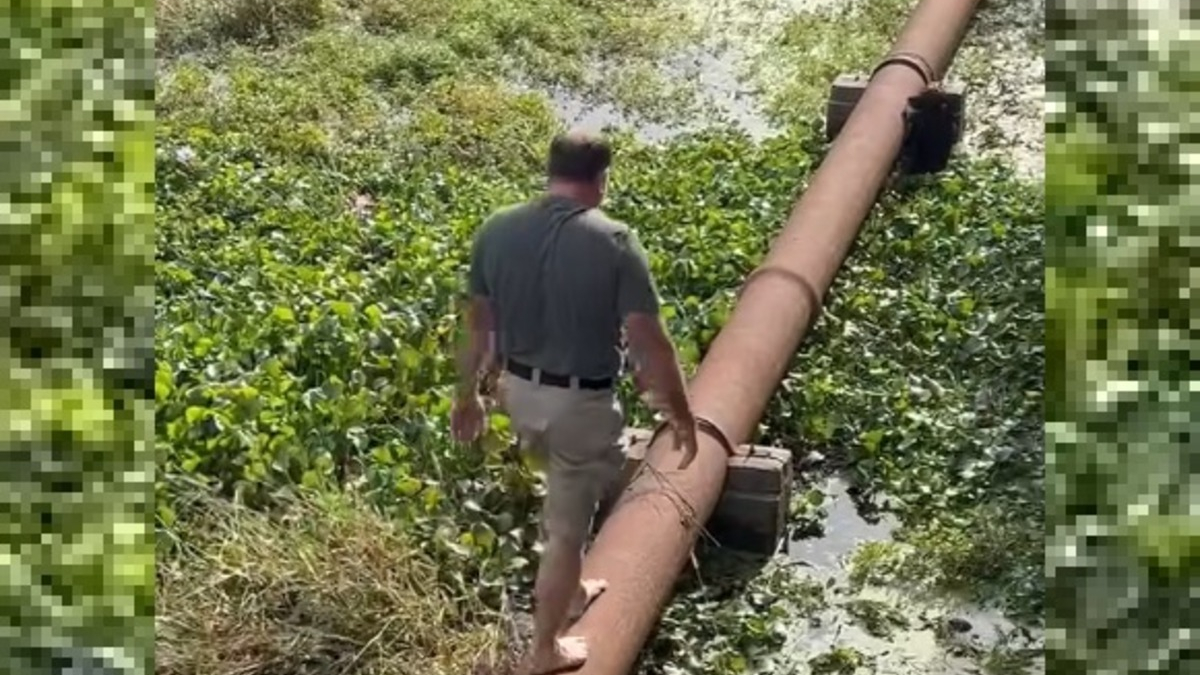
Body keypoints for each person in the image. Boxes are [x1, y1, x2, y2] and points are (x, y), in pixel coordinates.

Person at [449, 129, 699, 675]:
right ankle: (545, 650)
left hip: (519, 395)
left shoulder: (497, 228)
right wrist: (678, 415)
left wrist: (467, 395)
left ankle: (574, 585)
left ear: (550, 170)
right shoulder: (613, 241)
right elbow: (649, 343)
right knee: (566, 527)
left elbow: (478, 324)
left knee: (562, 495)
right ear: (601, 179)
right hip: (578, 406)